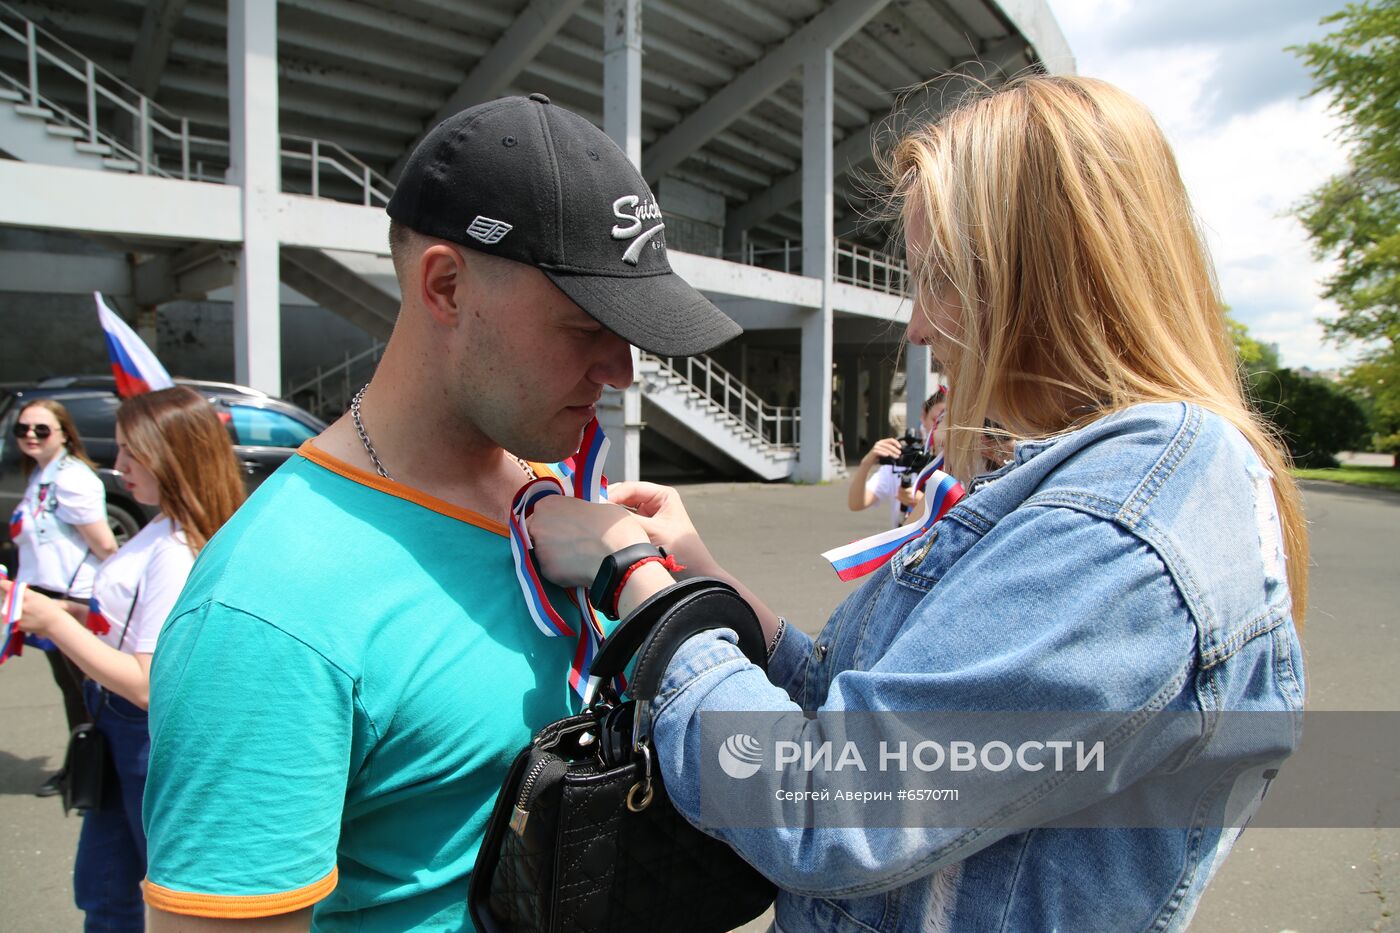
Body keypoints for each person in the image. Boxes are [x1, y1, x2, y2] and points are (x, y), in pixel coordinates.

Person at [527, 75, 1308, 932]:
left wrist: (634, 577)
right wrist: (700, 575)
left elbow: (824, 808)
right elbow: (859, 697)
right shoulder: (1132, 478)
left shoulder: (1125, 520)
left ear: (1040, 278)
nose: (918, 327)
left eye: (939, 278)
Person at [140, 94, 741, 932]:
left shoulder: (552, 490)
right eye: (586, 327)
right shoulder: (271, 610)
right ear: (447, 285)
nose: (623, 369)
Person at [2, 386, 245, 932]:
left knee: (138, 892)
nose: (119, 467)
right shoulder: (161, 526)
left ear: (174, 454)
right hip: (117, 727)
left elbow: (145, 684)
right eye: (118, 450)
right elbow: (121, 616)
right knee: (104, 887)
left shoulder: (178, 549)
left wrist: (53, 622)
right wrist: (43, 604)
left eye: (132, 453)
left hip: (139, 732)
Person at [8, 398, 118, 796]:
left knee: (89, 689)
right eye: (23, 430)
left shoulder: (72, 479)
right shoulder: (43, 475)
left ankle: (98, 773)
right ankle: (82, 767)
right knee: (71, 688)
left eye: (42, 430)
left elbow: (104, 543)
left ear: (65, 433)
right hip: (46, 595)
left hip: (71, 599)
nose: (31, 437)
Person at [847, 390, 946, 527]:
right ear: (923, 417)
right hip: (904, 545)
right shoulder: (905, 458)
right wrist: (866, 463)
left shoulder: (964, 465)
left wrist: (922, 502)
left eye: (948, 421)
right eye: (936, 421)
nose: (941, 428)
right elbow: (856, 503)